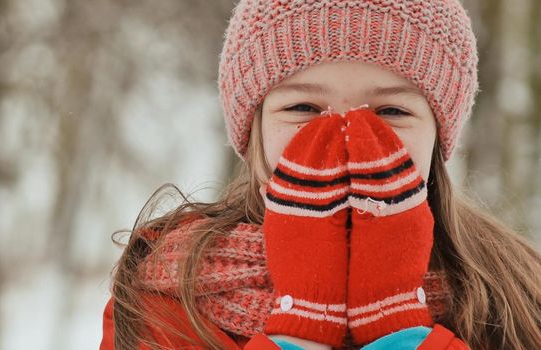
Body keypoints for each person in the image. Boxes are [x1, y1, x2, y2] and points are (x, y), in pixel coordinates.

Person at [100, 0, 541, 349]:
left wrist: (396, 325)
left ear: (439, 136)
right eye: (303, 108)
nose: (348, 138)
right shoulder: (171, 290)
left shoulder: (518, 293)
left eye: (390, 111)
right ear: (251, 128)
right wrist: (302, 325)